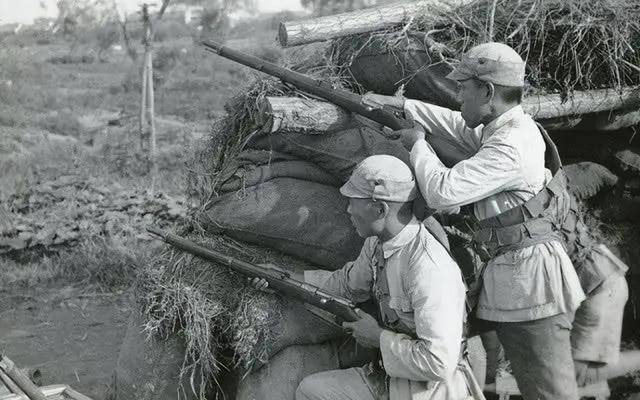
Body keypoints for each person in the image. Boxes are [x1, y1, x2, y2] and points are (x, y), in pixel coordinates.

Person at [362, 42, 586, 400]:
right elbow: (457, 125)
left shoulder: (511, 145)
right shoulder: (501, 127)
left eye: (464, 88)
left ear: (488, 91)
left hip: (531, 285)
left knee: (549, 392)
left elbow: (441, 193)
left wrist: (417, 144)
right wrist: (402, 106)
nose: (459, 95)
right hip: (514, 277)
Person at [251, 154, 484, 400]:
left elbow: (438, 362)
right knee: (312, 391)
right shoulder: (377, 242)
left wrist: (377, 338)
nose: (348, 210)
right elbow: (347, 285)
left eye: (354, 202)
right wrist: (284, 278)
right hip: (393, 377)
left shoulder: (429, 269)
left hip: (431, 391)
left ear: (380, 208)